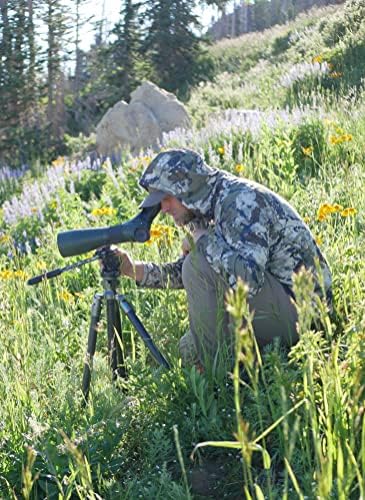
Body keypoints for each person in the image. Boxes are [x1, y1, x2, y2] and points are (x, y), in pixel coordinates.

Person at [111, 148, 332, 368]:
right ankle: (226, 363)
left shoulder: (240, 202)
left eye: (167, 198)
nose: (164, 208)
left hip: (306, 315)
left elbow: (249, 281)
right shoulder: (203, 207)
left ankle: (220, 377)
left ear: (188, 189)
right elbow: (194, 273)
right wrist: (132, 269)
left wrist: (204, 241)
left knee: (196, 270)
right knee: (187, 349)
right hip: (278, 305)